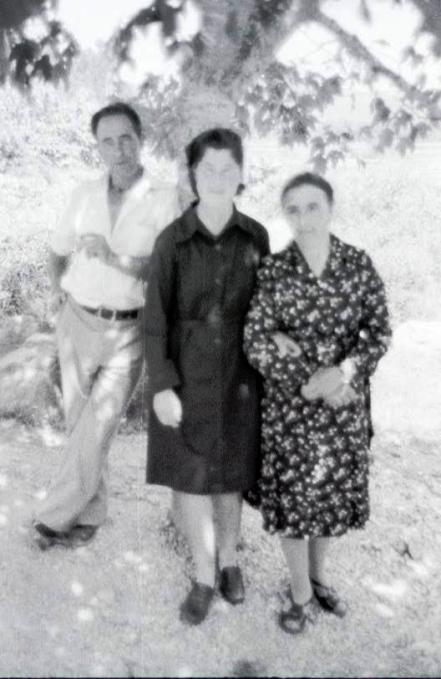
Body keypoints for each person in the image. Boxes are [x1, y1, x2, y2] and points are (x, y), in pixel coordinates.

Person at [243, 172, 391, 635]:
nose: (303, 218)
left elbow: (378, 331)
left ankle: (319, 576)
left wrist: (343, 373)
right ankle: (299, 591)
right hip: (291, 407)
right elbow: (255, 339)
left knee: (330, 495)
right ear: (284, 214)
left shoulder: (357, 264)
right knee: (294, 500)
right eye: (293, 209)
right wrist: (307, 383)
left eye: (312, 207)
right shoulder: (273, 271)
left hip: (344, 403)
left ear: (330, 208)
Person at [32, 102, 179, 550]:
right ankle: (92, 514)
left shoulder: (165, 198)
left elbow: (166, 270)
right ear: (97, 147)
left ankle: (52, 518)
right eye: (108, 141)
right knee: (82, 427)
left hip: (128, 331)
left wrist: (114, 258)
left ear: (141, 139)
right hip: (76, 322)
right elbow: (57, 250)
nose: (119, 149)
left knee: (97, 426)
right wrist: (59, 294)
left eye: (126, 138)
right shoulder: (83, 194)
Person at [144, 128, 269, 625]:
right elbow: (154, 320)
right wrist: (161, 385)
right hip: (186, 373)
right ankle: (202, 573)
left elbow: (266, 310)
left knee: (231, 473)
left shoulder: (256, 236)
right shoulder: (171, 240)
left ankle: (231, 561)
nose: (217, 178)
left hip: (240, 375)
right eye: (207, 169)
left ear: (240, 174)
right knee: (192, 475)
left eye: (227, 169)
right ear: (192, 175)